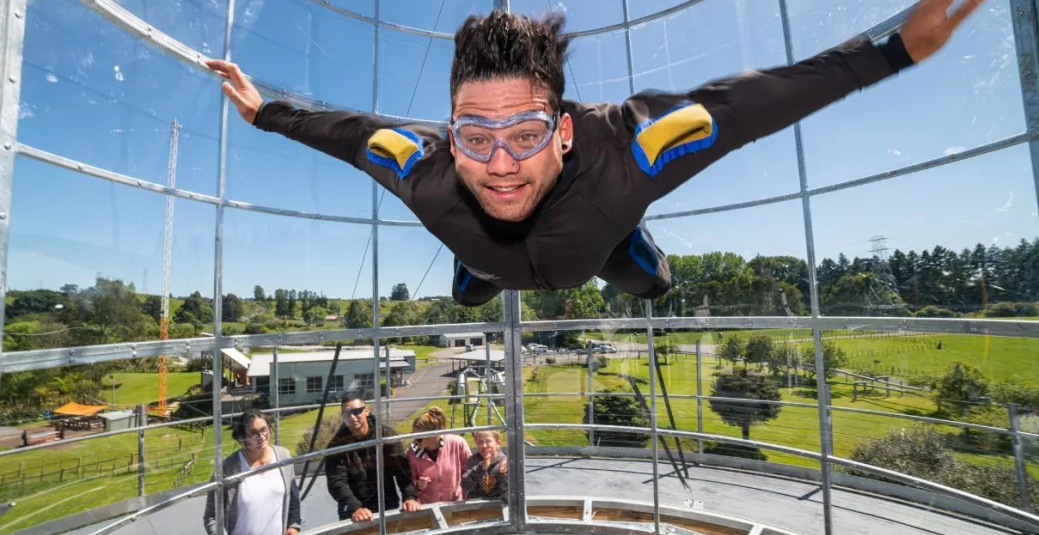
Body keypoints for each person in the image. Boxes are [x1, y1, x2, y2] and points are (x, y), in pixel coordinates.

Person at [207, 0, 981, 307]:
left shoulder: (627, 150)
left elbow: (745, 105)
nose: (500, 163)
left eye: (526, 134)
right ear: (449, 130)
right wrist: (263, 111)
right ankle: (480, 268)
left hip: (599, 241)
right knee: (472, 287)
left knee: (652, 283)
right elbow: (346, 133)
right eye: (475, 137)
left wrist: (893, 53)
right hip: (491, 258)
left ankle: (627, 243)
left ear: (566, 130)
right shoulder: (422, 165)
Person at [203, 410, 301, 535]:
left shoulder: (283, 456)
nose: (261, 436)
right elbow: (211, 517)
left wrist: (293, 526)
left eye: (264, 429)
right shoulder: (227, 469)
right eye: (254, 433)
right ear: (242, 437)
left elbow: (294, 499)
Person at [324, 391, 420, 522]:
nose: (352, 417)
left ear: (366, 411)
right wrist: (356, 508)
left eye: (356, 411)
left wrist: (409, 497)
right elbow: (337, 481)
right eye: (346, 414)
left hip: (386, 504)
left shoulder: (385, 435)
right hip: (353, 513)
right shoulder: (336, 445)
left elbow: (401, 470)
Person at [405, 407, 472, 504]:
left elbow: (471, 471)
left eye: (418, 437)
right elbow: (408, 481)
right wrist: (418, 485)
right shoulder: (412, 452)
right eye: (413, 435)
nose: (414, 440)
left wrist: (467, 495)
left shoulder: (457, 443)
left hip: (456, 503)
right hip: (427, 506)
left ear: (434, 435)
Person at [460, 430, 508, 502]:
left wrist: (503, 475)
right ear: (476, 444)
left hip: (498, 505)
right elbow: (465, 486)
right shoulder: (473, 461)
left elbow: (509, 494)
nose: (484, 446)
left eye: (488, 441)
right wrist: (481, 468)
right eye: (480, 442)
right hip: (476, 505)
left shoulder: (506, 462)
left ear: (498, 443)